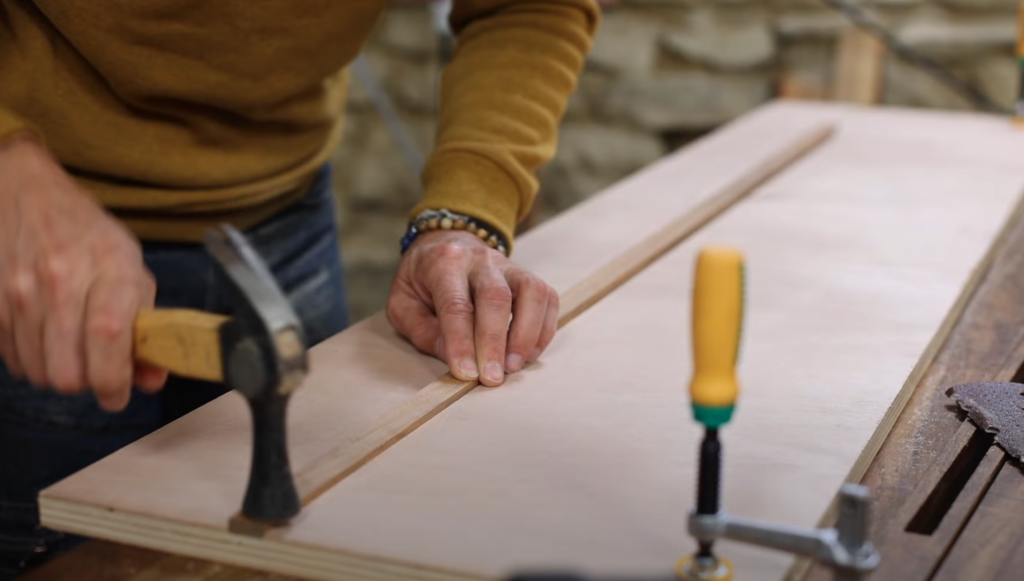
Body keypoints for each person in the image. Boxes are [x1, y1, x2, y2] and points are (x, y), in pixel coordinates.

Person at [0, 1, 599, 577]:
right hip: (32, 247)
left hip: (286, 214)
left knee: (310, 545)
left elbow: (526, 5)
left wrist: (466, 213)